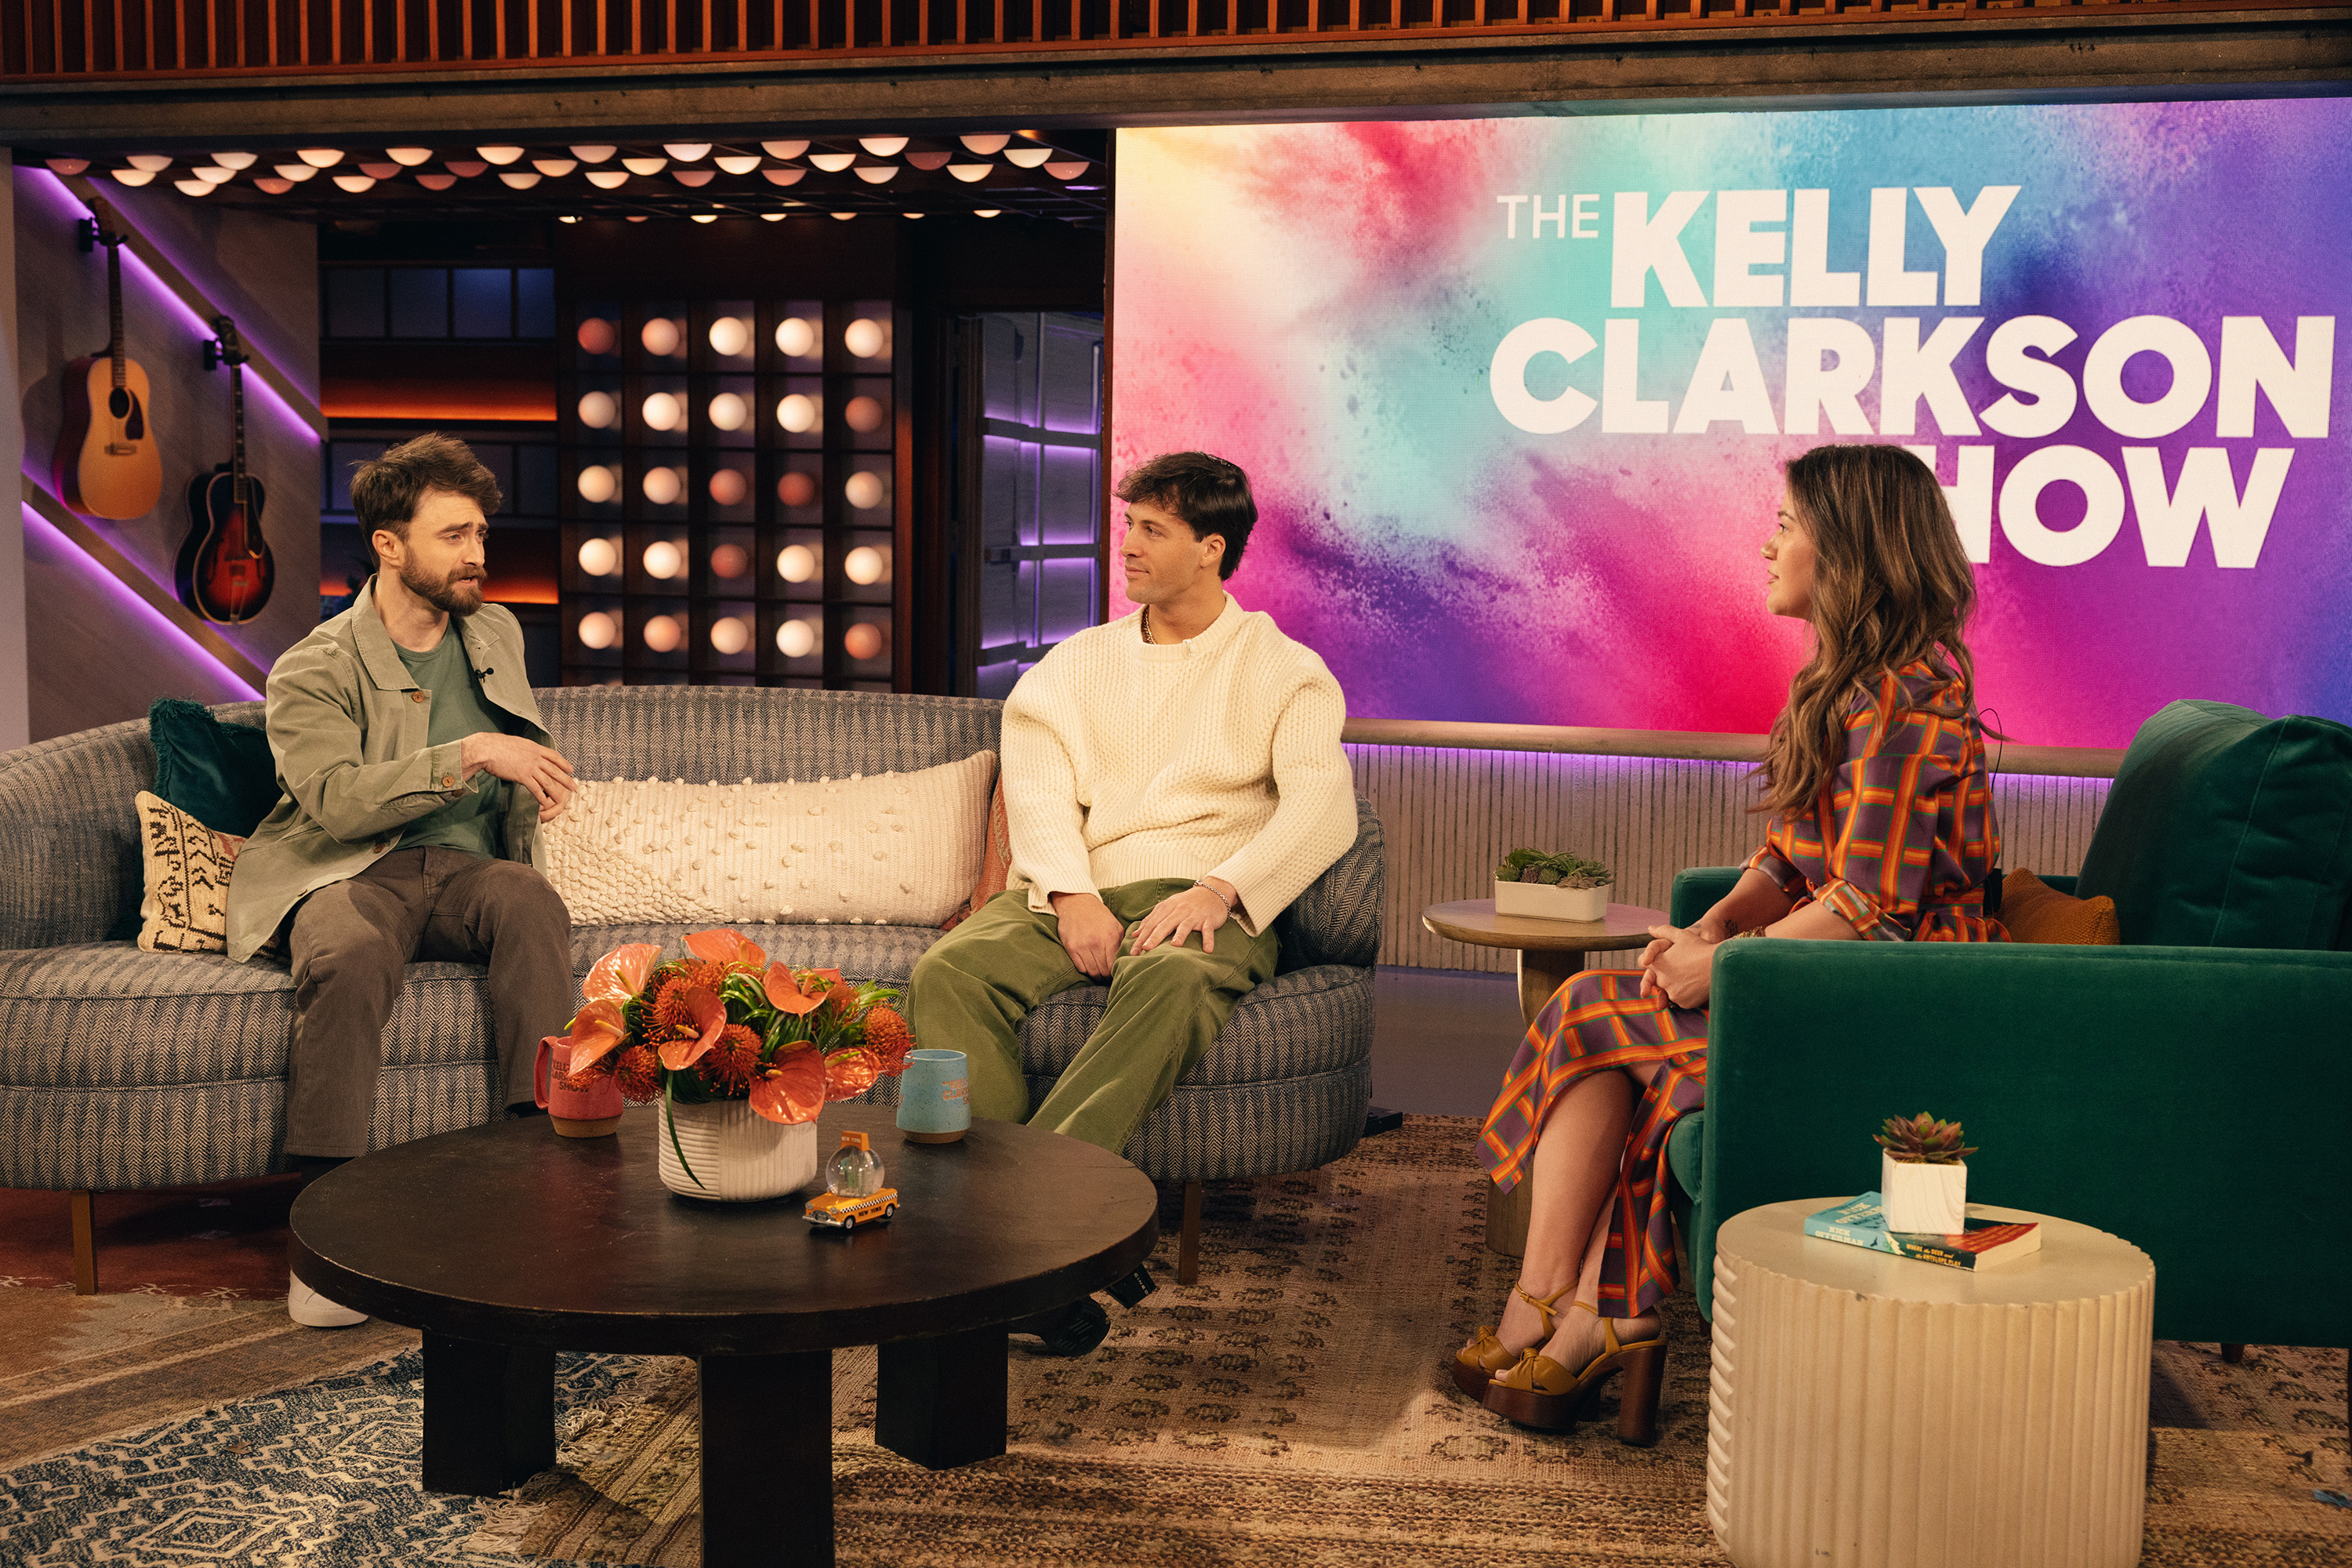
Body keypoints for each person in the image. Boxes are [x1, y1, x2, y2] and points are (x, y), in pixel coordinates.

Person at [1454, 443, 2006, 1440]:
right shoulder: (1850, 681)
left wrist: (1726, 967)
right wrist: (1709, 927)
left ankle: (1563, 1310)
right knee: (1654, 1070)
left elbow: (1872, 904)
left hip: (1897, 994)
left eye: (1789, 525)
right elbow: (1796, 861)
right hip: (1833, 972)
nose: (1769, 542)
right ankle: (1584, 1314)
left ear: (1849, 550)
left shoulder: (1908, 699)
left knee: (1590, 1007)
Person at [908, 451, 1359, 1355]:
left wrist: (1221, 886)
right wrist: (1072, 893)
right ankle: (1014, 1251)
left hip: (1208, 893)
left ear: (1211, 548)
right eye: (1128, 525)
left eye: (1152, 529)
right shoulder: (1073, 668)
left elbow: (1322, 806)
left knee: (1171, 978)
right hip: (1077, 882)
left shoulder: (1288, 670)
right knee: (951, 967)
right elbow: (1035, 789)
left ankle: (1017, 1238)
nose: (1128, 546)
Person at [227, 434, 579, 1329]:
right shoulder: (312, 666)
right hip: (353, 869)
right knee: (343, 952)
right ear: (389, 545)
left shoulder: (493, 631)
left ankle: (530, 1189)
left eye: (482, 534)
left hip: (467, 872)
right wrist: (468, 753)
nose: (479, 555)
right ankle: (327, 1243)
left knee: (533, 903)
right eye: (455, 535)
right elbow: (339, 805)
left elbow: (516, 766)